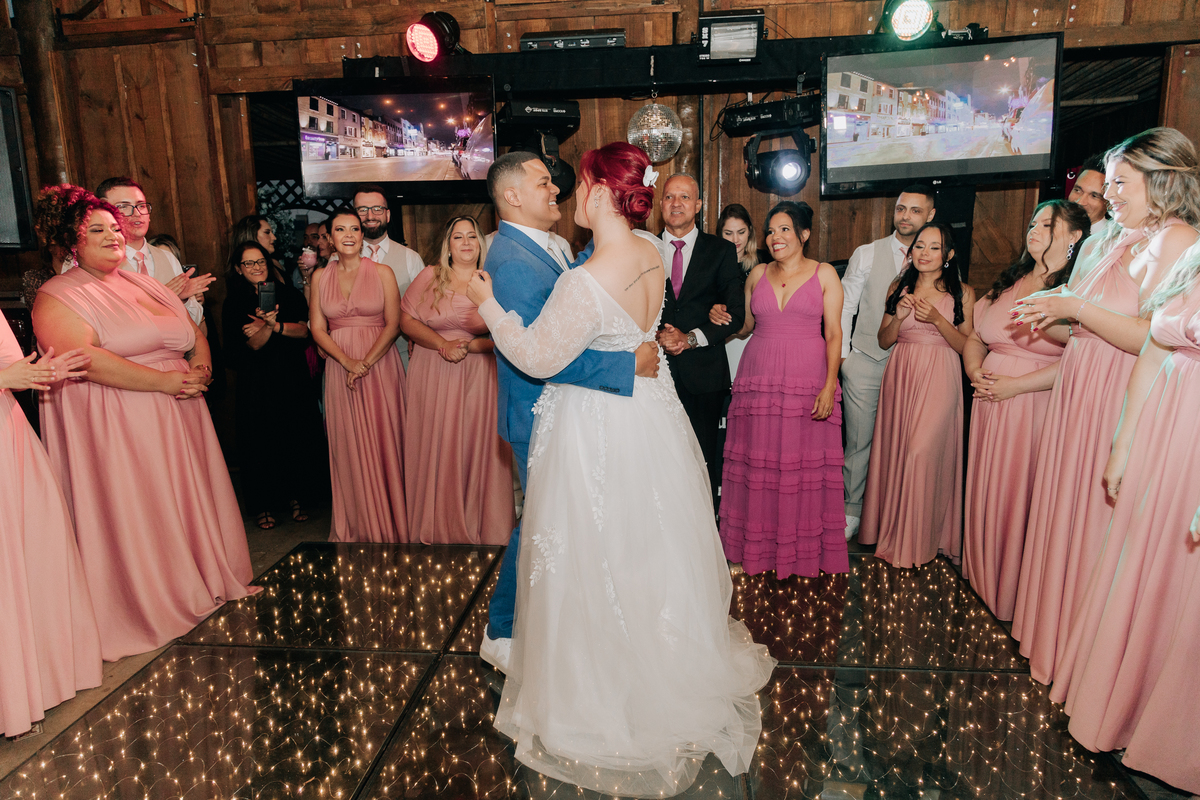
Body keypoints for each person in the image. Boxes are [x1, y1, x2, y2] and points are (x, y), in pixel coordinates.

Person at [466, 141, 775, 797]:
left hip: (594, 425)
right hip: (649, 418)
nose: (568, 192)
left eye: (578, 183)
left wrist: (484, 304)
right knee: (646, 543)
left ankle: (604, 681)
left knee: (595, 548)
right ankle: (661, 655)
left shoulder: (586, 276)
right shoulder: (650, 254)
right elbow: (638, 336)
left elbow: (538, 356)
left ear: (601, 191)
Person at [31, 185, 259, 662]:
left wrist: (200, 368)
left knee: (183, 498)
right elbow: (83, 359)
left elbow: (191, 332)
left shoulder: (145, 283)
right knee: (147, 507)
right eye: (97, 230)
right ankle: (153, 598)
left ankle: (201, 579)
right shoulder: (59, 295)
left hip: (181, 411)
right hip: (123, 418)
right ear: (72, 242)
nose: (113, 236)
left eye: (115, 228)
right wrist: (163, 383)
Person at [1009, 128, 1200, 687]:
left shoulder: (1177, 239)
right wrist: (1054, 312)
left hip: (1115, 391)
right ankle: (1053, 642)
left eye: (1120, 183)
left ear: (1160, 181)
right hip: (1080, 383)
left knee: (1093, 525)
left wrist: (1074, 307)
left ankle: (1082, 659)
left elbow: (1152, 337)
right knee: (1063, 513)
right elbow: (1085, 326)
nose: (1106, 195)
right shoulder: (1112, 240)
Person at [477, 150, 659, 675]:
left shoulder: (553, 245)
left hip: (578, 410)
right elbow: (545, 357)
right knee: (540, 526)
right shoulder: (511, 262)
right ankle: (503, 630)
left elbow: (579, 313)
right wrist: (626, 364)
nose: (556, 187)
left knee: (574, 522)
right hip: (539, 409)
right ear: (512, 196)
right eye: (543, 181)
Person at [1050, 239, 1200, 795]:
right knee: (1142, 571)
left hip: (1194, 440)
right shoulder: (1192, 260)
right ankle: (1128, 704)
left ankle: (1174, 735)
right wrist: (1123, 443)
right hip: (1164, 427)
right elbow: (1154, 353)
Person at [961, 201, 1088, 620]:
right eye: (1033, 222)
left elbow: (1083, 359)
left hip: (1034, 404)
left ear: (1074, 236)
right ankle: (981, 580)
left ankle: (1015, 592)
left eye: (1048, 225)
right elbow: (976, 337)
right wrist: (976, 371)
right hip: (988, 402)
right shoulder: (1010, 280)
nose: (1035, 229)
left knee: (1019, 494)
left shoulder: (1076, 289)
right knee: (986, 490)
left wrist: (1014, 386)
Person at [718, 201, 848, 578]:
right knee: (758, 464)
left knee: (799, 465)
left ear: (804, 234)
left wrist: (829, 385)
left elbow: (834, 333)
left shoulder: (825, 274)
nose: (775, 237)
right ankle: (753, 549)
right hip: (758, 379)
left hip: (807, 379)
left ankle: (798, 553)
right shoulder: (757, 273)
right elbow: (745, 326)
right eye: (771, 231)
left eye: (785, 229)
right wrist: (716, 322)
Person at [0, 311, 102, 737]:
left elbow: (12, 366)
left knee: (30, 555)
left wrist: (37, 372)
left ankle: (27, 684)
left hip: (8, 437)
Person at [858, 222, 976, 569]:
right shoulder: (899, 287)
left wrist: (938, 320)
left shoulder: (963, 293)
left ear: (948, 254)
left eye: (934, 247)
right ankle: (897, 533)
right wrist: (899, 318)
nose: (924, 253)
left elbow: (968, 346)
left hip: (941, 374)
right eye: (920, 246)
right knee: (898, 452)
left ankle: (920, 539)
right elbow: (883, 341)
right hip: (902, 373)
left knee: (920, 452)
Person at [400, 215, 514, 545]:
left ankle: (485, 525)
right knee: (437, 443)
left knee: (479, 446)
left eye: (472, 236)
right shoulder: (429, 276)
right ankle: (437, 524)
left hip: (480, 374)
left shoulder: (492, 281)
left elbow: (511, 333)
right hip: (432, 369)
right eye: (458, 237)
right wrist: (442, 344)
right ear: (447, 246)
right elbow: (406, 320)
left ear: (481, 244)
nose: (465, 242)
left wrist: (474, 346)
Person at [839, 187, 937, 541]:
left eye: (915, 210)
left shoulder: (937, 259)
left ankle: (897, 514)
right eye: (900, 209)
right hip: (866, 361)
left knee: (907, 441)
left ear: (930, 215)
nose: (905, 216)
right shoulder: (867, 253)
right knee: (859, 442)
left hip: (914, 365)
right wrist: (844, 359)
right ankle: (852, 511)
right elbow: (845, 305)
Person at [308, 207, 408, 543]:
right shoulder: (320, 277)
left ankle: (394, 523)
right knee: (348, 445)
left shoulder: (382, 272)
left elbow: (394, 324)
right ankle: (358, 523)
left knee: (386, 441)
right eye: (340, 230)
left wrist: (364, 362)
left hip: (380, 367)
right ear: (330, 238)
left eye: (354, 229)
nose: (348, 235)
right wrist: (347, 362)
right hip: (340, 370)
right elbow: (318, 329)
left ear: (362, 236)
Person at [657, 174, 746, 512]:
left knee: (702, 461)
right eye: (669, 197)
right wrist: (658, 336)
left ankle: (703, 529)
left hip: (704, 377)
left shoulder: (720, 250)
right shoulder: (645, 248)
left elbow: (735, 314)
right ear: (660, 204)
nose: (676, 203)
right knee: (657, 459)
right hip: (655, 374)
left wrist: (690, 339)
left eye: (684, 197)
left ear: (698, 205)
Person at [222, 241, 325, 529]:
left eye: (260, 261)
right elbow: (252, 345)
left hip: (291, 377)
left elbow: (304, 331)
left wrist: (272, 325)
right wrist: (269, 327)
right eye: (249, 263)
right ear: (239, 269)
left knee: (294, 436)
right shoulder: (234, 303)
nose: (256, 267)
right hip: (256, 383)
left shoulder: (288, 293)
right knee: (259, 442)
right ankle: (263, 505)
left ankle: (296, 497)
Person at [96, 177, 210, 328]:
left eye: (141, 205)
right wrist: (163, 299)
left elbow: (194, 324)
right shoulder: (96, 264)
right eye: (124, 206)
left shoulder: (167, 257)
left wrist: (183, 300)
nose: (137, 213)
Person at [353, 185, 425, 368]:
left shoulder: (411, 258)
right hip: (352, 356)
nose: (370, 216)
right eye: (362, 210)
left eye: (377, 209)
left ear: (388, 215)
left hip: (401, 357)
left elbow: (425, 308)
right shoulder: (338, 260)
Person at [716, 203, 760, 379]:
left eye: (741, 232)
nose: (735, 239)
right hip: (723, 341)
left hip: (758, 341)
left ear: (750, 231)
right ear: (720, 234)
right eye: (728, 233)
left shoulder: (764, 262)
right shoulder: (712, 264)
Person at [1067, 155, 1110, 264]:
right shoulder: (1052, 229)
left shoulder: (1110, 243)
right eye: (1077, 190)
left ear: (1109, 203)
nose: (1080, 202)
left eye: (1094, 196)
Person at [230, 214, 293, 286]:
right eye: (267, 232)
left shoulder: (275, 263)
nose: (274, 237)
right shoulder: (248, 273)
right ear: (251, 235)